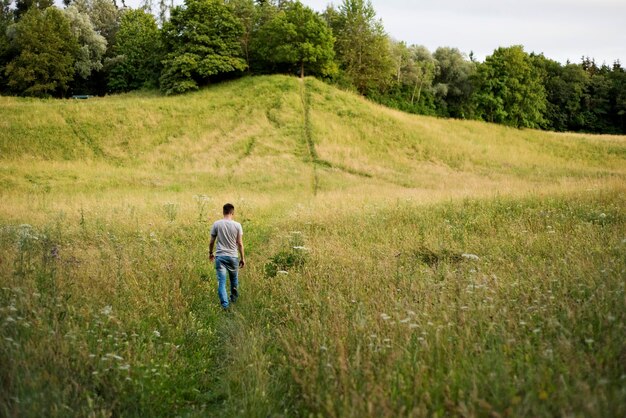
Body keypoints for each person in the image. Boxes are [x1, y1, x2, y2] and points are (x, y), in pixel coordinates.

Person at [209, 203, 245, 309]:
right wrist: (243, 258)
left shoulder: (217, 224)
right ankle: (233, 300)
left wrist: (211, 253)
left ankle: (225, 306)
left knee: (222, 281)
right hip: (233, 257)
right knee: (234, 280)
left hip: (220, 257)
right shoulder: (237, 225)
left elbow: (211, 242)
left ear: (223, 212)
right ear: (232, 212)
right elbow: (240, 243)